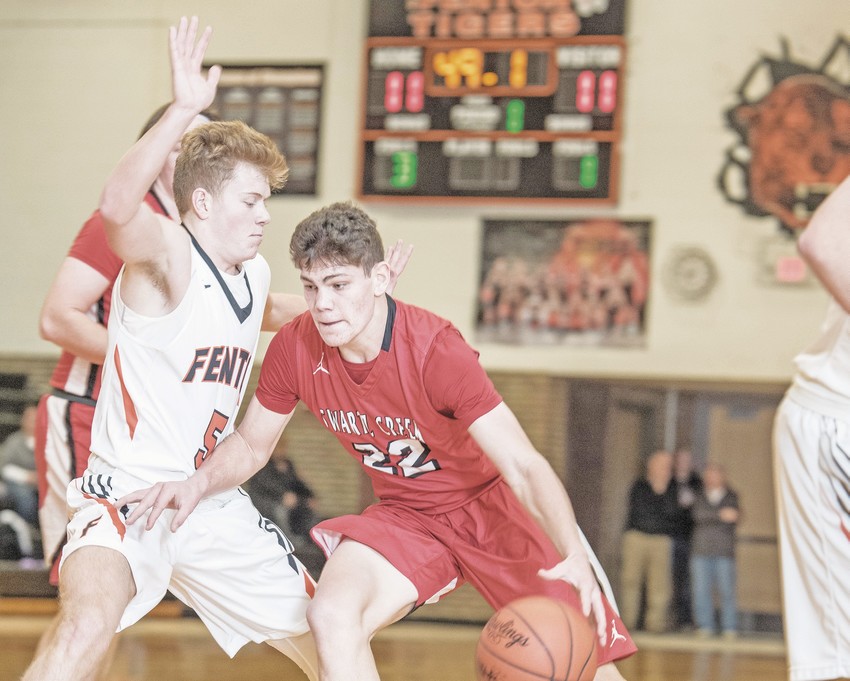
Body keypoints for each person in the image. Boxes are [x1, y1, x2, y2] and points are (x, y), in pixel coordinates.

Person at [20, 19, 415, 681]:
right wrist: (181, 111)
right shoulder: (168, 254)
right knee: (87, 625)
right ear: (202, 201)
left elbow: (281, 311)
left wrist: (364, 302)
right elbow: (116, 207)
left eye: (267, 200)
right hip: (126, 496)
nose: (266, 214)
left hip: (209, 502)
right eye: (252, 199)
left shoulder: (253, 274)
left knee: (331, 636)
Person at [120, 201, 637, 681]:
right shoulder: (296, 348)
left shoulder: (436, 350)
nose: (322, 304)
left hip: (494, 509)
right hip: (409, 516)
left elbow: (523, 465)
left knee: (583, 664)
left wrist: (573, 552)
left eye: (339, 284)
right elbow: (253, 445)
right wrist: (197, 483)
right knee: (330, 614)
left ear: (380, 278)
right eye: (310, 286)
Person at [35, 101, 217, 587]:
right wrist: (148, 360)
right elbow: (57, 318)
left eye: (204, 151)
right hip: (87, 410)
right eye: (179, 146)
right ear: (153, 154)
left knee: (128, 575)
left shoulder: (197, 238)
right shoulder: (120, 224)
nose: (192, 160)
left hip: (146, 427)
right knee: (87, 574)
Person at [772, 172, 850, 681]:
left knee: (836, 652)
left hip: (830, 421)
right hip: (834, 419)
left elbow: (822, 241)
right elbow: (821, 242)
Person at [619, 449, 679, 634]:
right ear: (651, 466)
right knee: (631, 580)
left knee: (660, 584)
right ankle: (628, 621)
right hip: (637, 537)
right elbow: (640, 512)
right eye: (661, 464)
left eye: (668, 465)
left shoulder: (673, 488)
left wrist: (663, 490)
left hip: (661, 539)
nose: (665, 469)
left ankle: (655, 624)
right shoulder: (639, 486)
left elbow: (675, 514)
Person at [689, 462, 740, 639]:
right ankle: (704, 625)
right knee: (701, 590)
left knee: (727, 590)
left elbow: (734, 516)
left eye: (715, 475)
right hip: (701, 550)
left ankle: (729, 626)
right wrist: (719, 515)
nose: (711, 478)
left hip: (724, 551)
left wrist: (711, 516)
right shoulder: (699, 495)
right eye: (709, 475)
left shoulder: (731, 496)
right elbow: (697, 515)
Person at [248, 440, 321, 544]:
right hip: (266, 502)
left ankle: (308, 540)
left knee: (307, 509)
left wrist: (309, 496)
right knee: (280, 511)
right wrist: (282, 496)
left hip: (288, 500)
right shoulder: (262, 465)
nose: (280, 451)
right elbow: (268, 485)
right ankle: (287, 540)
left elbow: (297, 483)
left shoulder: (287, 464)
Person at [670, 446, 702, 630]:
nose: (684, 463)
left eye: (687, 460)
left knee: (687, 581)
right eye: (681, 459)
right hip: (670, 535)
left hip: (690, 537)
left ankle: (685, 619)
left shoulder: (697, 483)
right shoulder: (669, 481)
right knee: (668, 580)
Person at [0, 404, 40, 529]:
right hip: (19, 483)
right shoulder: (14, 441)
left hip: (42, 483)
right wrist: (26, 476)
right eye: (29, 418)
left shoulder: (47, 442)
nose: (32, 422)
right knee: (24, 496)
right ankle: (26, 528)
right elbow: (4, 467)